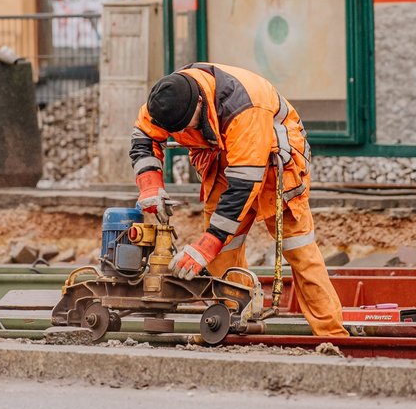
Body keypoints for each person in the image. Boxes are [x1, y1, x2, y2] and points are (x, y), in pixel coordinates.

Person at [129, 63, 347, 337]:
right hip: (221, 151)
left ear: (199, 102)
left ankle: (331, 333)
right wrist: (150, 186)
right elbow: (143, 138)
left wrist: (207, 245)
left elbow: (243, 187)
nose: (185, 131)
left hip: (272, 160)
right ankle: (234, 319)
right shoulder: (164, 102)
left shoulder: (244, 108)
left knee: (297, 246)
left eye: (189, 125)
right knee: (224, 252)